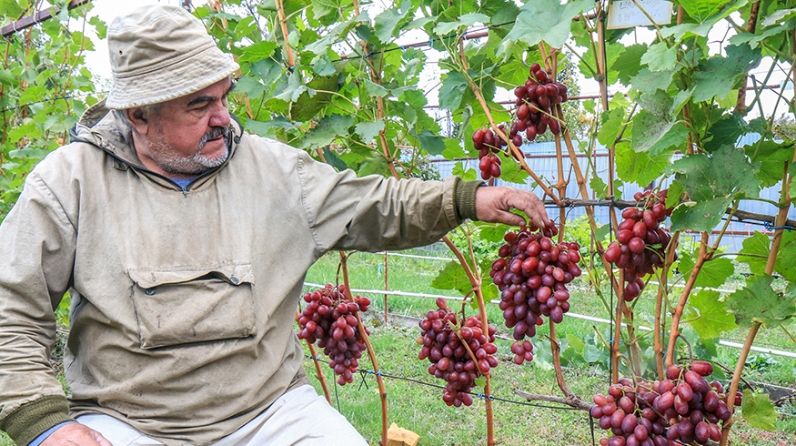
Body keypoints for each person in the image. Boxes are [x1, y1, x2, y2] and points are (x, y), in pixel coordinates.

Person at [0, 5, 551, 446]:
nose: (223, 118)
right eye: (198, 105)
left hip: (271, 414)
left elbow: (373, 204)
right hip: (128, 423)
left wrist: (468, 198)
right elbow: (10, 308)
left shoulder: (272, 170)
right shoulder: (69, 183)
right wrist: (48, 426)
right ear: (138, 115)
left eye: (223, 98)